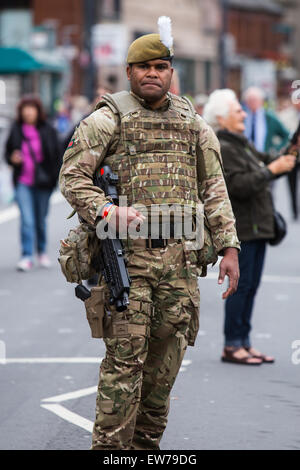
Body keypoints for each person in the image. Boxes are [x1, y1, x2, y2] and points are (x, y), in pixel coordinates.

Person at [59, 17, 240, 450]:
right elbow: (72, 176)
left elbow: (214, 186)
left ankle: (145, 452)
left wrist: (230, 246)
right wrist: (105, 209)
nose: (153, 73)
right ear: (129, 72)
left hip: (179, 265)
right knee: (124, 368)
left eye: (161, 66)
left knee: (163, 374)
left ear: (171, 71)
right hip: (128, 261)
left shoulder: (192, 123)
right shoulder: (106, 120)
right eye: (144, 67)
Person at [203, 89, 296, 365]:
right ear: (222, 118)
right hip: (243, 228)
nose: (245, 113)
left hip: (257, 227)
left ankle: (244, 341)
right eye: (238, 110)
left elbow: (268, 160)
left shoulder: (240, 142)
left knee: (251, 286)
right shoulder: (224, 146)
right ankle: (232, 344)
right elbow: (238, 185)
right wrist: (272, 170)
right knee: (241, 287)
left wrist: (291, 150)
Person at [5, 95, 62, 271]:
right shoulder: (16, 129)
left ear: (38, 111)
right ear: (21, 112)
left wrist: (54, 179)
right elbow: (7, 153)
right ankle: (27, 255)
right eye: (25, 109)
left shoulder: (48, 130)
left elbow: (57, 156)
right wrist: (12, 159)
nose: (28, 112)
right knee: (27, 220)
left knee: (40, 220)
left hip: (44, 183)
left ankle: (42, 252)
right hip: (23, 181)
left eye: (32, 108)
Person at [243, 86, 289, 155]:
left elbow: (286, 135)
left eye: (255, 100)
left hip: (263, 156)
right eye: (250, 100)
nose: (252, 103)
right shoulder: (243, 115)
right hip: (245, 155)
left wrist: (276, 149)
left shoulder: (269, 117)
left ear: (261, 101)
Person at [277, 89, 300, 219]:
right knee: (291, 184)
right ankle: (295, 211)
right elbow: (281, 136)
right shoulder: (285, 116)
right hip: (291, 154)